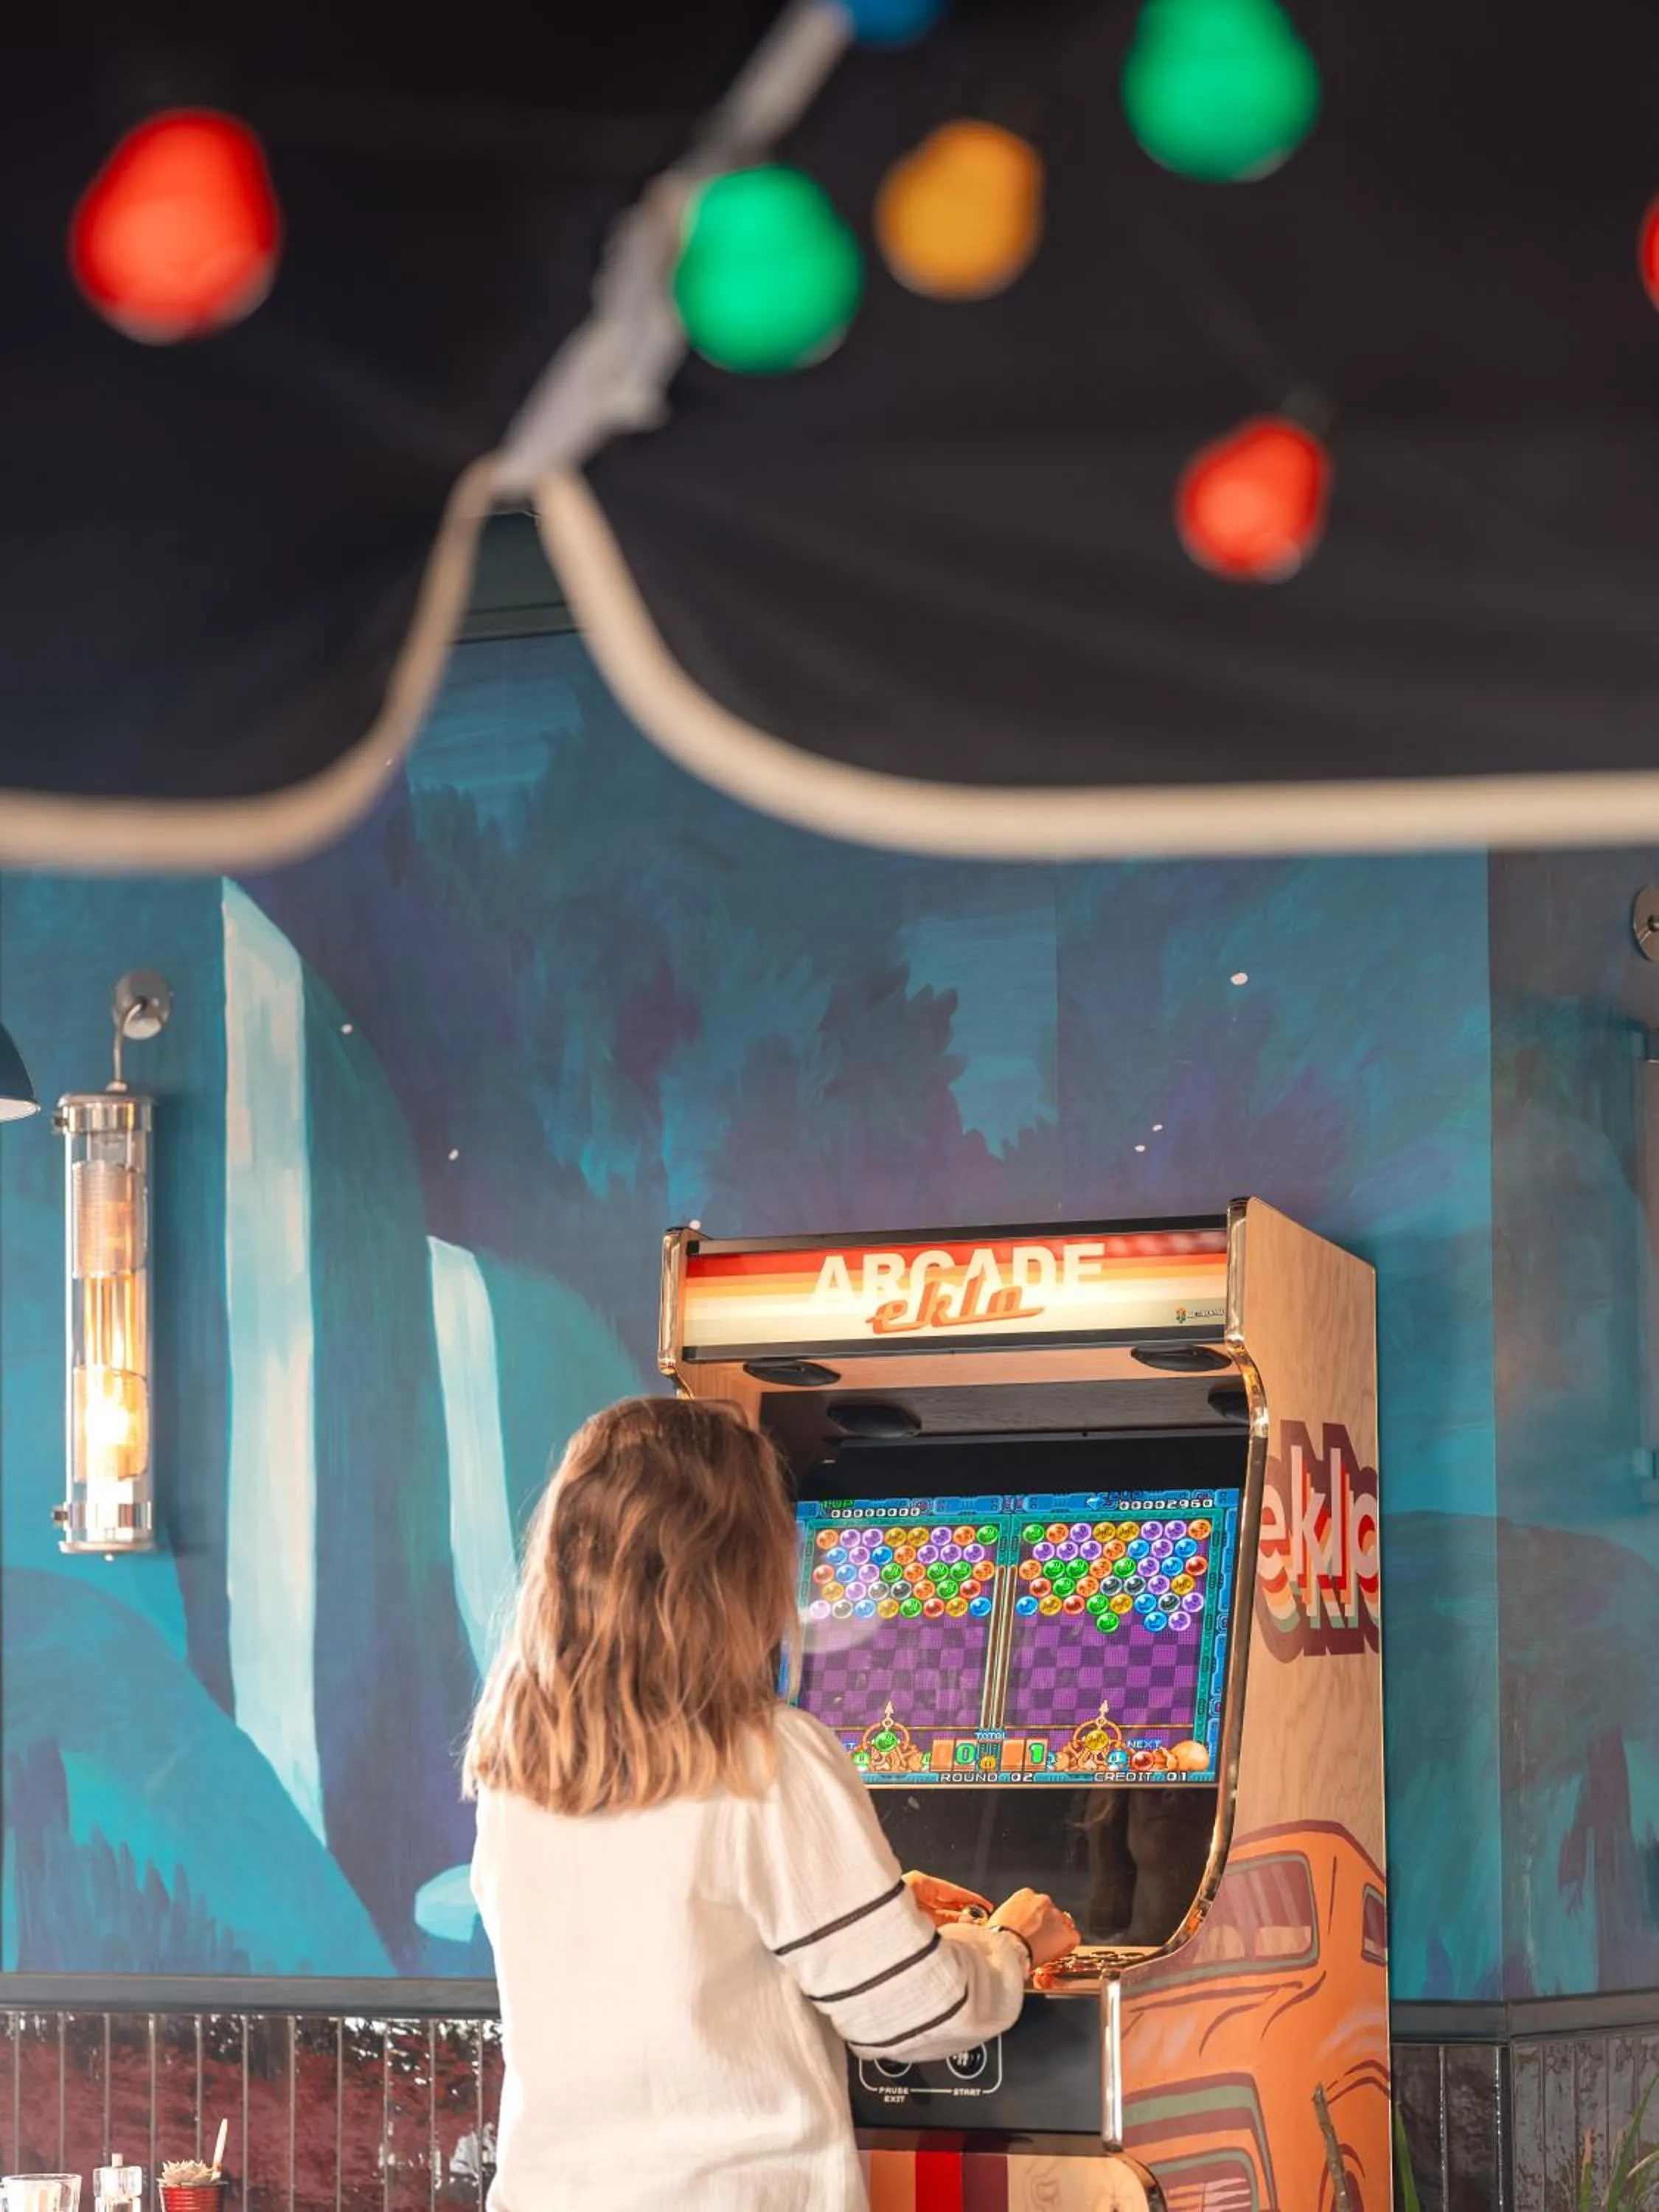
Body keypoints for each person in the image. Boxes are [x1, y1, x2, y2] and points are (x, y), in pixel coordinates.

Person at [465, 1395, 1077, 2212]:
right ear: (738, 1566)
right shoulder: (763, 1754)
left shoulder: (520, 1763)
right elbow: (912, 2013)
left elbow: (667, 1956)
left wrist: (871, 1918)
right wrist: (1007, 1946)